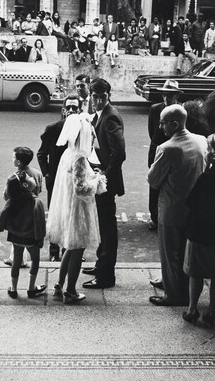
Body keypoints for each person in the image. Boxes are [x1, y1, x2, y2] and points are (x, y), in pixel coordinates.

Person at [148, 104, 207, 306]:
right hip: (193, 208)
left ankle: (172, 294)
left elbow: (153, 180)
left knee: (169, 253)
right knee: (184, 251)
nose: (161, 126)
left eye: (163, 123)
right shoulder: (201, 141)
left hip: (171, 208)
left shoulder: (167, 148)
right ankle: (176, 283)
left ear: (174, 123)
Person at [47, 113, 107, 304]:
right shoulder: (80, 158)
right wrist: (97, 179)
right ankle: (71, 291)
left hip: (67, 208)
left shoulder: (68, 152)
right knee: (77, 250)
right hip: (78, 211)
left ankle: (59, 285)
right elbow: (81, 188)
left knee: (68, 249)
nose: (93, 137)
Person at [82, 78, 126, 289]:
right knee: (102, 225)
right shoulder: (100, 115)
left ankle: (106, 276)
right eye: (95, 97)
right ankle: (101, 265)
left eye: (102, 97)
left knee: (107, 229)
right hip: (101, 177)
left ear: (109, 96)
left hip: (106, 182)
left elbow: (119, 153)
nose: (98, 101)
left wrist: (104, 176)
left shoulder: (110, 118)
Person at [37, 95, 82, 261]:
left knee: (72, 216)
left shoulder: (83, 129)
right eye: (68, 107)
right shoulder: (53, 128)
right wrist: (47, 173)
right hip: (55, 180)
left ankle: (70, 251)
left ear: (80, 110)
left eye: (74, 108)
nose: (71, 110)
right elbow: (41, 154)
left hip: (75, 180)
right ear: (63, 110)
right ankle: (54, 252)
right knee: (56, 215)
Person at [182, 133, 215, 325]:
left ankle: (192, 309)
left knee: (196, 272)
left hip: (200, 231)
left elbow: (191, 201)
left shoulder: (207, 177)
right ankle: (211, 310)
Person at [0, 172, 46, 299]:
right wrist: (40, 239)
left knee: (16, 261)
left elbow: (2, 215)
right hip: (32, 237)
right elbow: (40, 224)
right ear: (25, 184)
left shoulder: (12, 201)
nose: (32, 177)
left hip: (16, 237)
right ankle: (31, 288)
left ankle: (13, 289)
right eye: (29, 177)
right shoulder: (36, 202)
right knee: (35, 260)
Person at [147, 80, 183, 234]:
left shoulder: (182, 110)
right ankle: (155, 217)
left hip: (176, 150)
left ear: (175, 96)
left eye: (169, 95)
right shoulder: (155, 109)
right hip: (157, 149)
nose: (166, 98)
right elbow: (152, 131)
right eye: (164, 95)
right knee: (155, 184)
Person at [3, 147, 42, 268]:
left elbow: (7, 196)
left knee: (18, 236)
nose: (12, 159)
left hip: (18, 211)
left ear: (18, 162)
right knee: (28, 235)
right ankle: (18, 259)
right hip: (32, 209)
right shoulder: (37, 173)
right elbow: (38, 189)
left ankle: (17, 260)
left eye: (14, 157)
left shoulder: (13, 177)